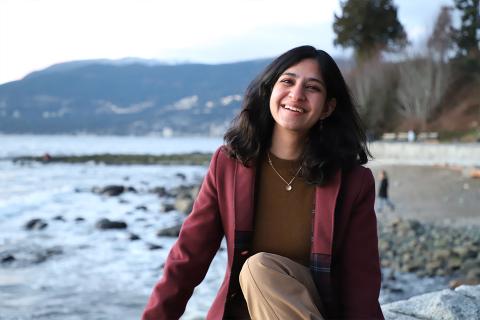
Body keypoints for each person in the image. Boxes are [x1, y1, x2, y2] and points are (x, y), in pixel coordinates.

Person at [142, 45, 384, 320]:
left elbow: (361, 282)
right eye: (288, 81)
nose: (296, 94)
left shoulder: (353, 182)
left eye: (312, 87)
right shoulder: (229, 165)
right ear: (270, 90)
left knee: (259, 268)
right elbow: (188, 257)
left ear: (328, 107)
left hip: (311, 311)